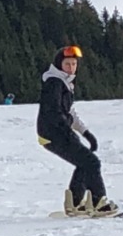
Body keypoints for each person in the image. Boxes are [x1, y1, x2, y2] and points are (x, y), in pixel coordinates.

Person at [37, 44, 116, 216]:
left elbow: (69, 111)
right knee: (92, 163)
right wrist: (67, 128)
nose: (71, 68)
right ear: (59, 65)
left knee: (84, 163)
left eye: (74, 64)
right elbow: (54, 111)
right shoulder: (54, 83)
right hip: (54, 134)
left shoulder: (64, 82)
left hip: (55, 133)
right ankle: (98, 203)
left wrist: (86, 133)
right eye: (67, 64)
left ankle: (75, 202)